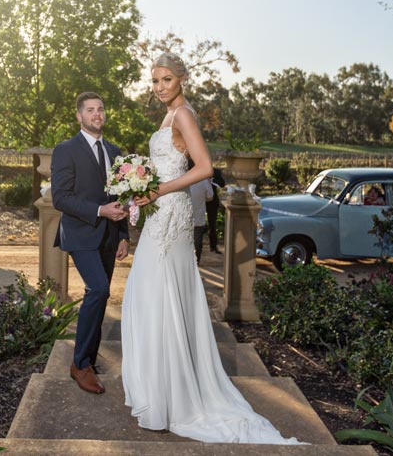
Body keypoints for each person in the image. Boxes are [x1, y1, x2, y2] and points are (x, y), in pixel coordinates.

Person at [121, 53, 306, 444]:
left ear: (183, 80)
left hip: (170, 215)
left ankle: (170, 397)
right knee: (154, 295)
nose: (159, 87)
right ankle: (162, 390)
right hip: (161, 214)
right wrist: (140, 185)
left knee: (160, 296)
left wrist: (160, 189)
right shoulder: (169, 115)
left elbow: (204, 168)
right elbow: (170, 164)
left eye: (166, 80)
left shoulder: (184, 114)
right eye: (154, 80)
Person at [51, 92, 130, 395]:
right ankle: (80, 364)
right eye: (90, 110)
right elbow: (61, 198)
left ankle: (90, 360)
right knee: (98, 289)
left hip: (110, 235)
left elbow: (120, 196)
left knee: (99, 297)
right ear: (79, 117)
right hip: (81, 233)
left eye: (101, 109)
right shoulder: (65, 150)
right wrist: (99, 211)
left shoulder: (115, 150)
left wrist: (123, 235)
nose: (97, 114)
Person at [187, 159, 213, 263]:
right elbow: (210, 197)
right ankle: (196, 260)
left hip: (184, 214)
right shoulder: (203, 181)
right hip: (198, 214)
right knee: (197, 239)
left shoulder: (180, 179)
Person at [204, 166, 224, 253]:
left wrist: (212, 182)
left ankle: (213, 246)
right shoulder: (194, 169)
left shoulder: (216, 172)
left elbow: (222, 184)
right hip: (199, 200)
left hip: (212, 201)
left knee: (212, 224)